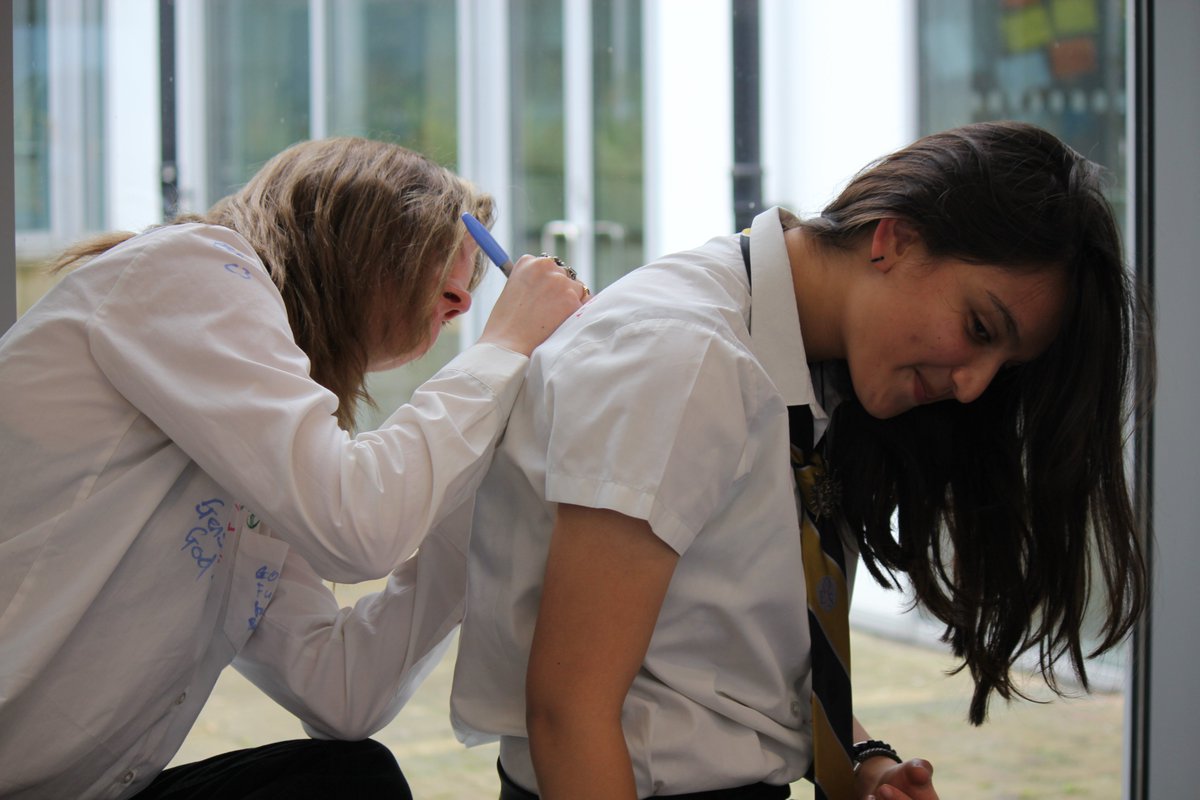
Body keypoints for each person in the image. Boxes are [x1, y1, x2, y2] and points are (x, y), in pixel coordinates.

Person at [449, 121, 1151, 799]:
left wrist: (865, 763)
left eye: (1004, 364)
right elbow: (569, 714)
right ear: (896, 238)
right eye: (978, 327)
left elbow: (728, 662)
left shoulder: (809, 371)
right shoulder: (683, 355)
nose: (973, 384)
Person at [0, 136, 587, 799]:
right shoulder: (190, 273)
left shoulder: (251, 429)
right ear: (363, 239)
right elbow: (357, 529)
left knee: (350, 778)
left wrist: (485, 474)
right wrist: (505, 347)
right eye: (449, 266)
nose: (463, 302)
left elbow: (342, 691)